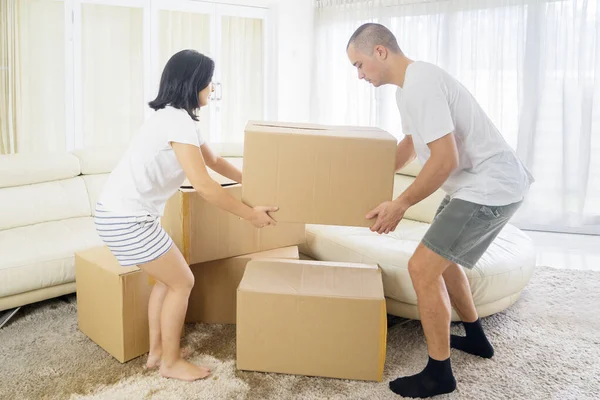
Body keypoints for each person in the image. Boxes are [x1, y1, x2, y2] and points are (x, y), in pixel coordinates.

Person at [347, 23, 534, 398]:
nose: (359, 75)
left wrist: (400, 204)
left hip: (489, 188)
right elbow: (412, 145)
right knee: (444, 262)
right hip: (472, 185)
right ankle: (477, 337)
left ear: (380, 52)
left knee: (422, 267)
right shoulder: (407, 91)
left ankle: (439, 374)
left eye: (360, 64)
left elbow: (444, 160)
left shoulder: (421, 83)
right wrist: (368, 177)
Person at [94, 49, 278, 382]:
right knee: (183, 281)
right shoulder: (176, 121)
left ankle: (157, 353)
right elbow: (205, 186)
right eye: (209, 80)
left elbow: (216, 162)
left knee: (169, 280)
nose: (212, 86)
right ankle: (171, 362)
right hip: (127, 219)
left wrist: (254, 183)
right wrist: (250, 215)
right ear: (194, 82)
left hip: (124, 215)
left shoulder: (177, 117)